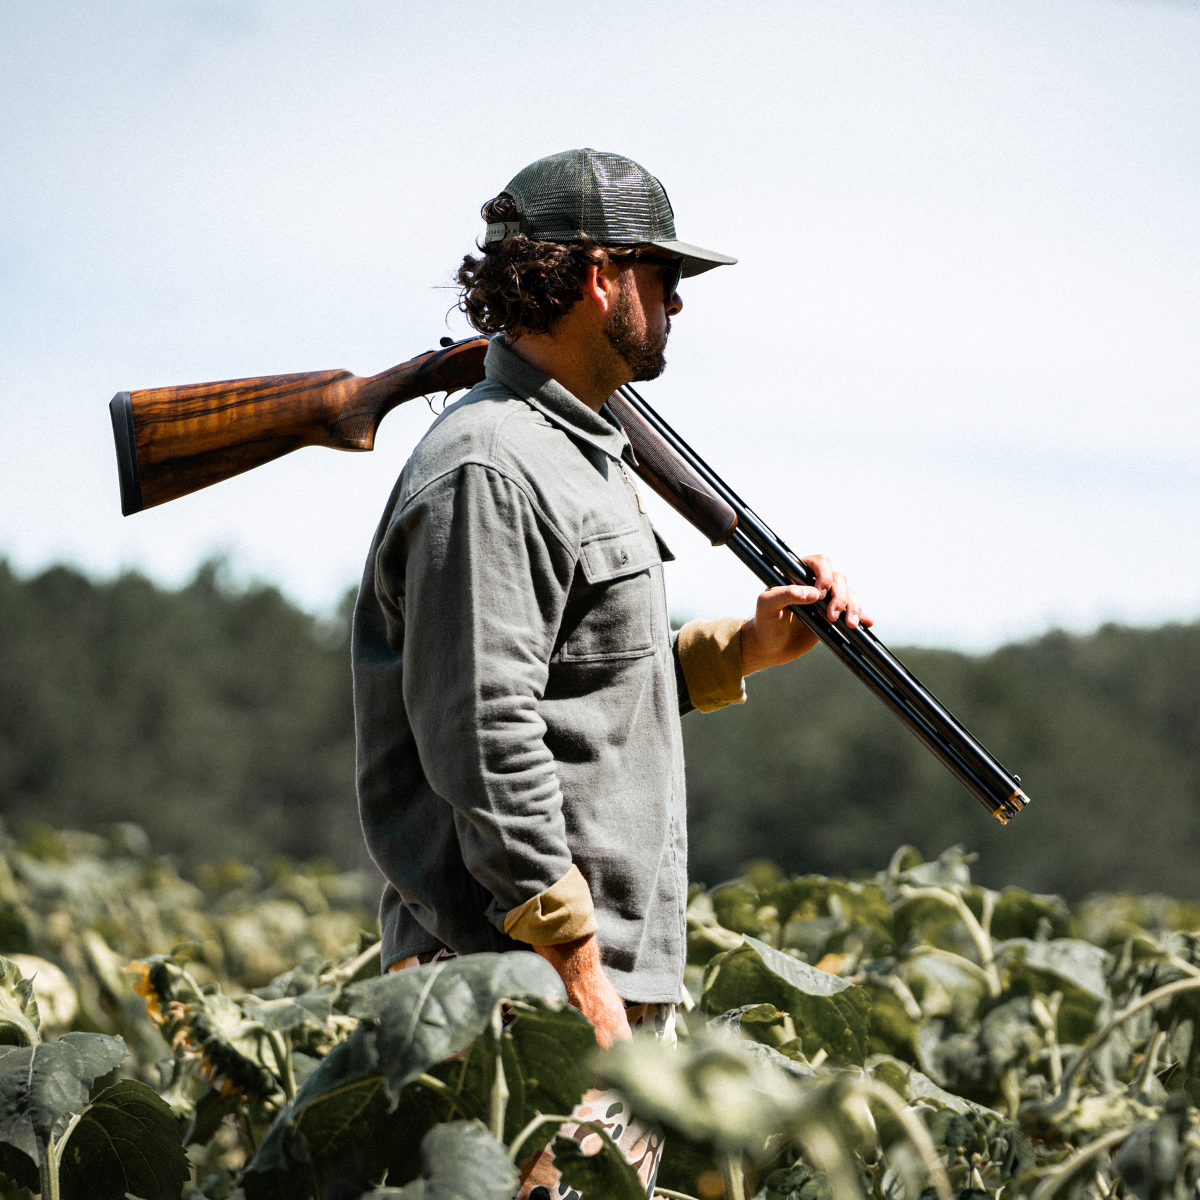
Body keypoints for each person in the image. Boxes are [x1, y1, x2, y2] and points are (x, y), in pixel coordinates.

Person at [351, 148, 868, 1196]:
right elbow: (487, 739)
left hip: (583, 974)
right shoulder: (493, 466)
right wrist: (580, 973)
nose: (676, 301)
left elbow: (579, 685)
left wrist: (748, 646)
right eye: (661, 274)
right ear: (599, 279)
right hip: (515, 988)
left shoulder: (575, 453)